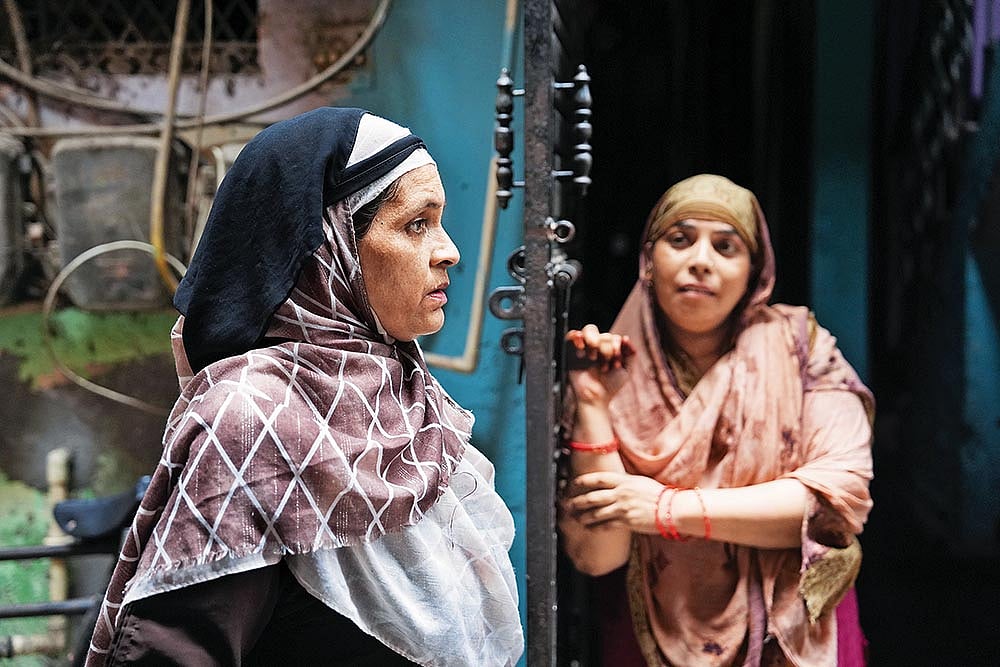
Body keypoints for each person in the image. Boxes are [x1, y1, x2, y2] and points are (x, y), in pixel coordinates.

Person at [84, 107, 523, 666]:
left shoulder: (409, 397)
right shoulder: (252, 420)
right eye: (416, 224)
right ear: (328, 246)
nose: (449, 251)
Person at [559, 174, 874, 666]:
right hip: (656, 630)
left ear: (754, 272)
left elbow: (838, 497)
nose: (701, 260)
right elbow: (599, 555)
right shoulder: (610, 368)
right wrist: (594, 403)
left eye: (726, 246)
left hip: (793, 632)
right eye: (679, 240)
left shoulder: (801, 348)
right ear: (649, 261)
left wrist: (664, 509)